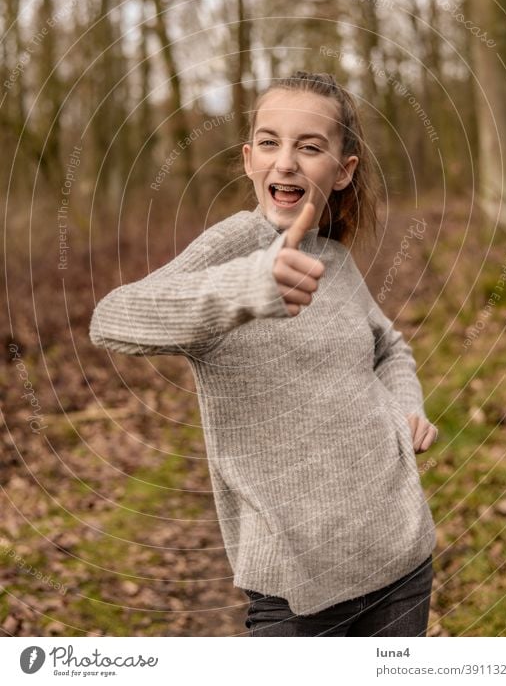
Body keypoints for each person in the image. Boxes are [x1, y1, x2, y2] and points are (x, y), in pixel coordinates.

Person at [89, 71, 439, 637]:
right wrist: (247, 288)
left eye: (310, 146)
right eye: (271, 142)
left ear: (343, 170)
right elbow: (112, 319)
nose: (286, 162)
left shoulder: (335, 258)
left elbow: (388, 348)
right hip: (299, 590)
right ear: (250, 158)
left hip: (401, 554)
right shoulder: (233, 246)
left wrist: (406, 408)